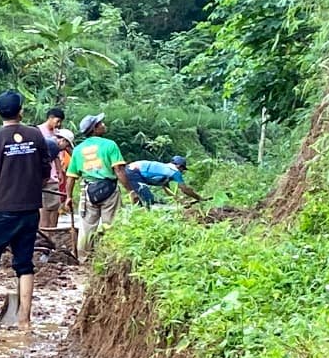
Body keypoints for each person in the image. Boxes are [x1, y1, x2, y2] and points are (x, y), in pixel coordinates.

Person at [0, 90, 50, 328]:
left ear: (0, 113)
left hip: (2, 209)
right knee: (24, 263)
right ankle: (25, 318)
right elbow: (45, 173)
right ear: (20, 111)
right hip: (29, 209)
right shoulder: (35, 134)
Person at [66, 113, 130, 258]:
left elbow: (71, 176)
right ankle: (111, 257)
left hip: (88, 191)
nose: (103, 125)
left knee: (87, 227)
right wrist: (130, 190)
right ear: (94, 128)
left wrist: (69, 196)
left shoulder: (78, 150)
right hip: (110, 190)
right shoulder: (110, 145)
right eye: (100, 123)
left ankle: (83, 258)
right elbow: (119, 170)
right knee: (111, 224)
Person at [124, 155, 204, 207]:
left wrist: (179, 201)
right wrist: (199, 198)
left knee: (143, 198)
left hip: (131, 169)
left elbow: (168, 190)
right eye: (182, 169)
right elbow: (185, 189)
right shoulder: (174, 171)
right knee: (148, 200)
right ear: (179, 166)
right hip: (134, 171)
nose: (182, 171)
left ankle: (138, 210)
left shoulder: (165, 170)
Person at [37, 107, 66, 231]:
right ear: (50, 118)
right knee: (43, 207)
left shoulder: (57, 133)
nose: (58, 124)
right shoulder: (38, 131)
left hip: (53, 174)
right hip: (41, 173)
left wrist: (59, 171)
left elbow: (57, 154)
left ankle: (51, 232)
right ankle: (43, 233)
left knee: (54, 205)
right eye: (57, 121)